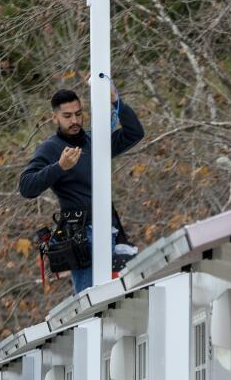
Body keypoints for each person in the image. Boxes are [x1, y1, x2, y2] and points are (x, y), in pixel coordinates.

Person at [19, 85, 144, 293]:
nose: (75, 121)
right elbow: (26, 186)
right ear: (55, 118)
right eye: (67, 116)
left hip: (110, 230)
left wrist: (116, 101)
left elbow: (134, 133)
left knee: (119, 296)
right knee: (91, 303)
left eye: (78, 114)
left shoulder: (95, 141)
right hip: (82, 236)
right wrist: (59, 167)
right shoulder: (51, 148)